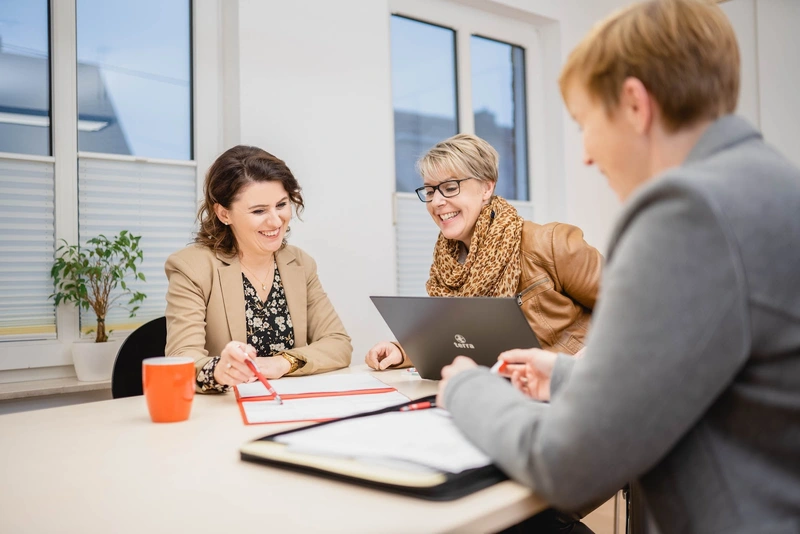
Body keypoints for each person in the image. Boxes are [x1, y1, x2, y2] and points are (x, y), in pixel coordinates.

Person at [436, 0, 800, 533]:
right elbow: (713, 364)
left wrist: (468, 389)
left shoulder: (688, 211)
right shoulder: (768, 185)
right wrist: (566, 375)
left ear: (634, 104)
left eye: (585, 123)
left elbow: (568, 463)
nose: (585, 154)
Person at [365, 134, 603, 371]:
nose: (436, 201)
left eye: (449, 187)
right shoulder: (446, 267)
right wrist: (402, 351)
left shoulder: (549, 243)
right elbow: (459, 337)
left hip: (572, 385)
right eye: (429, 191)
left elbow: (634, 307)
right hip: (500, 388)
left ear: (487, 187)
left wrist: (599, 351)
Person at [165, 145, 352, 392]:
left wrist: (283, 363)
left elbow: (338, 344)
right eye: (259, 211)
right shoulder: (192, 267)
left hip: (290, 405)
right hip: (224, 413)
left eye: (282, 204)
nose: (275, 221)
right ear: (224, 213)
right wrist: (220, 371)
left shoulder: (300, 264)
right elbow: (181, 359)